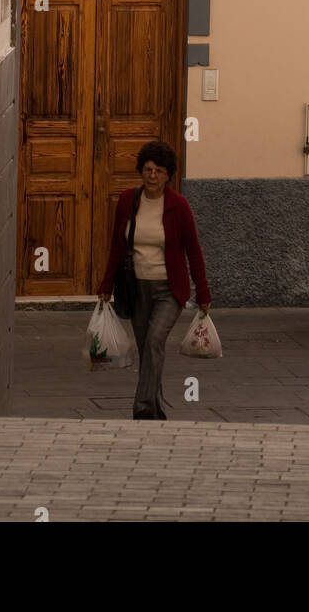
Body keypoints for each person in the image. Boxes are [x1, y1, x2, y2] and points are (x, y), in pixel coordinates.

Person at [97, 141, 211, 420]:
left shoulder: (178, 206)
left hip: (169, 290)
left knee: (154, 342)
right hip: (136, 288)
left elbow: (193, 250)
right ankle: (156, 407)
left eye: (159, 171)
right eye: (148, 169)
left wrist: (203, 293)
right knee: (148, 348)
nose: (152, 176)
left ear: (168, 175)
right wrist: (106, 285)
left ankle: (142, 410)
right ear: (141, 171)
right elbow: (117, 246)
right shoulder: (128, 201)